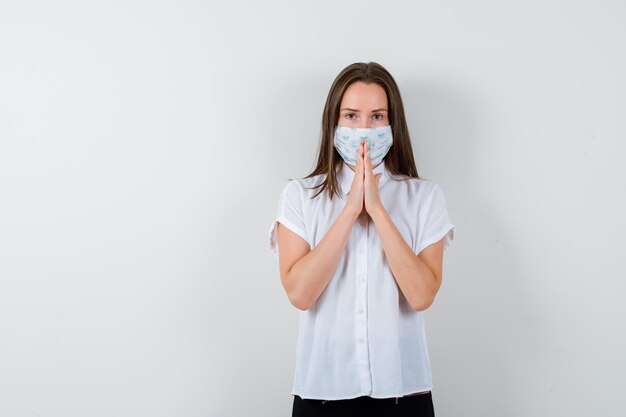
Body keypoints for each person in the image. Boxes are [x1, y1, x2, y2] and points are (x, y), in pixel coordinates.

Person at [268, 62, 455, 417]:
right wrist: (351, 209)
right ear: (334, 123)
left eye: (377, 116)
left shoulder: (425, 197)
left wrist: (379, 212)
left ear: (392, 124)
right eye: (352, 116)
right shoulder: (299, 196)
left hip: (405, 395)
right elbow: (300, 294)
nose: (364, 130)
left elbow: (421, 295)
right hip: (321, 395)